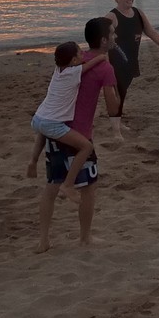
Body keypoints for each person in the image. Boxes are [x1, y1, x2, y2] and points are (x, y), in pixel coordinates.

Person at [33, 17, 120, 252]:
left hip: (54, 128)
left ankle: (43, 240)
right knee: (88, 188)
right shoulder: (103, 67)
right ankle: (85, 238)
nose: (115, 37)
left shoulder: (71, 61)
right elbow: (113, 108)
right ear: (103, 40)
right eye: (112, 34)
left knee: (51, 186)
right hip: (79, 132)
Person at [25, 40, 109, 199]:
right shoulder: (74, 72)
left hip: (39, 118)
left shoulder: (58, 70)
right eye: (79, 52)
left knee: (43, 133)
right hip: (52, 123)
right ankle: (68, 184)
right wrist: (101, 57)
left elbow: (79, 61)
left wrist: (80, 56)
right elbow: (92, 63)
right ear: (74, 61)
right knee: (86, 147)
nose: (82, 54)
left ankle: (33, 160)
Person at [104, 0, 159, 139]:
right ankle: (116, 131)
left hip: (131, 60)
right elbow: (103, 40)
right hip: (116, 61)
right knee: (117, 94)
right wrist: (105, 61)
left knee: (122, 92)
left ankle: (117, 123)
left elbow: (150, 31)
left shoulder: (138, 13)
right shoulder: (112, 16)